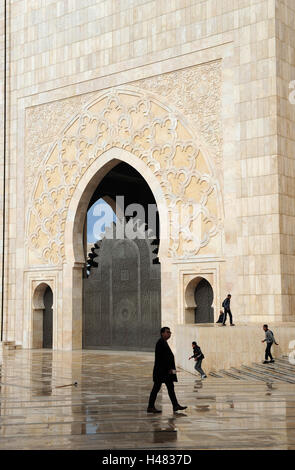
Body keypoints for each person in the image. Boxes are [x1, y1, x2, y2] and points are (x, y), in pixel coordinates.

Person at [147, 327, 187, 413]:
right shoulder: (160, 342)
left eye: (170, 332)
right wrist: (169, 369)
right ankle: (150, 407)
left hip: (165, 372)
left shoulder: (163, 342)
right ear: (162, 333)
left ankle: (175, 405)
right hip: (162, 372)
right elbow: (161, 358)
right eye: (167, 332)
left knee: (170, 388)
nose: (169, 334)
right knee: (156, 388)